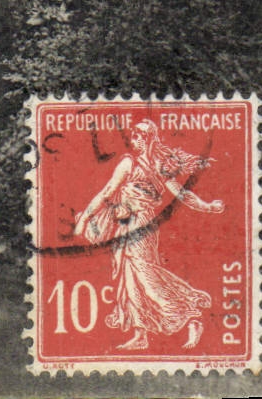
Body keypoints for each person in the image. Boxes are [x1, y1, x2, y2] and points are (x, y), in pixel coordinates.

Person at [73, 119, 224, 351]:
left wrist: (207, 207)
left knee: (146, 275)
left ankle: (190, 316)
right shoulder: (128, 163)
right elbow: (107, 192)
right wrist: (84, 218)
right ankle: (140, 334)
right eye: (134, 135)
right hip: (126, 224)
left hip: (142, 224)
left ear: (148, 139)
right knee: (130, 278)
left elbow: (181, 194)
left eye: (139, 136)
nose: (135, 139)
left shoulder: (158, 166)